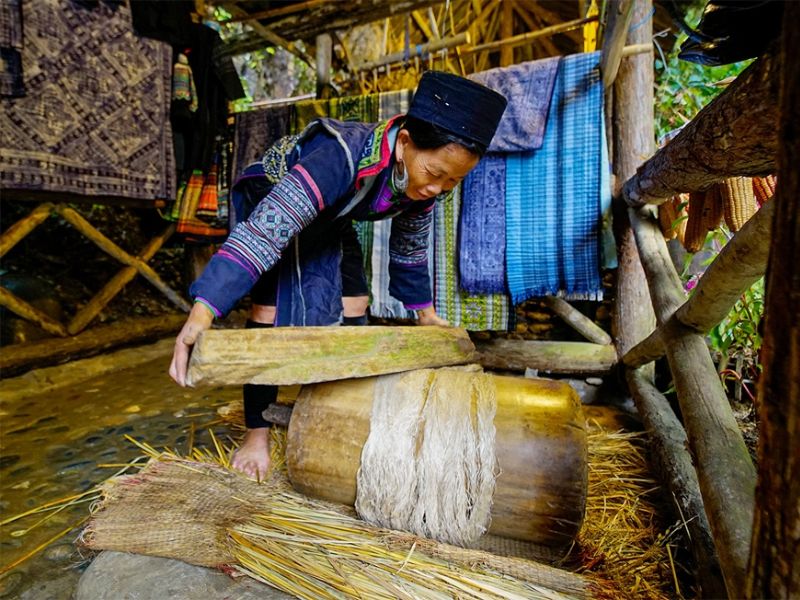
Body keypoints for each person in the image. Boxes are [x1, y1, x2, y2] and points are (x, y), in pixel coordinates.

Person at [169, 71, 507, 479]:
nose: (440, 187)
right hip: (274, 202)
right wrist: (203, 313)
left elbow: (410, 249)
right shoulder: (338, 155)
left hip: (333, 217)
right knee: (271, 315)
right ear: (403, 144)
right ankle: (256, 433)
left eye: (454, 181)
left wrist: (426, 314)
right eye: (435, 173)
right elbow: (262, 235)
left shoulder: (423, 189)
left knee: (354, 304)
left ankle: (340, 414)